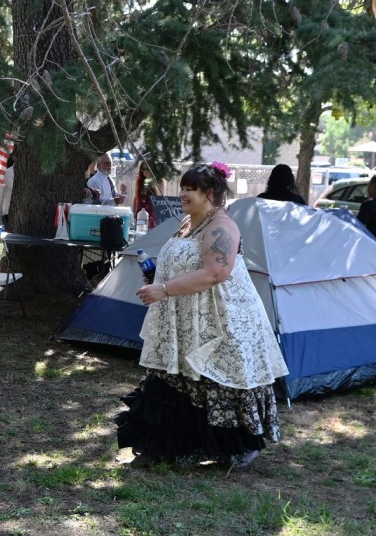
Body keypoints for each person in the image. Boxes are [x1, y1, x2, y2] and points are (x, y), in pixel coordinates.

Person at [115, 162, 287, 469]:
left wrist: (165, 289)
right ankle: (161, 446)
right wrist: (159, 279)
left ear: (210, 193)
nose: (181, 194)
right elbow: (186, 262)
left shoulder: (221, 226)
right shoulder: (187, 222)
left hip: (220, 320)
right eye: (182, 187)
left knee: (218, 379)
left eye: (189, 189)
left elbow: (215, 273)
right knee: (172, 378)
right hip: (184, 316)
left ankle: (238, 447)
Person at [0, 152, 15, 229]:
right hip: (9, 209)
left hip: (9, 209)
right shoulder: (8, 172)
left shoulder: (8, 171)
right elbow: (13, 187)